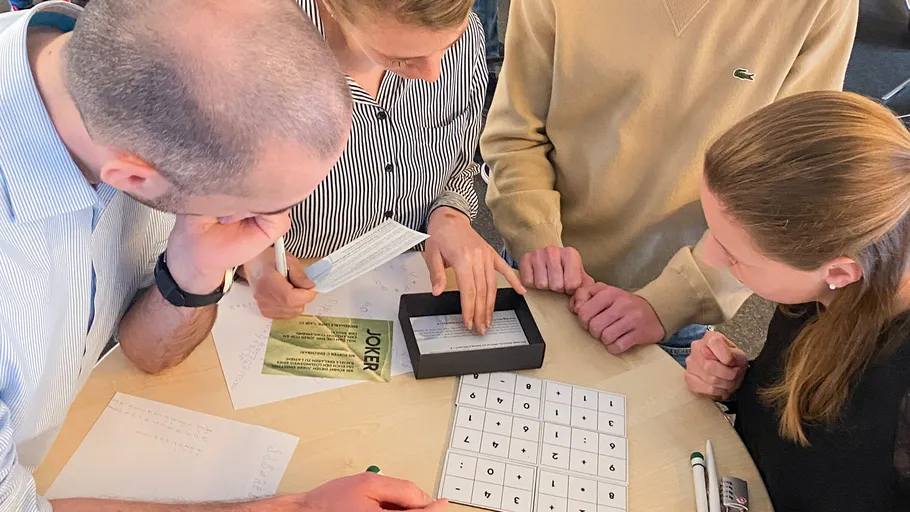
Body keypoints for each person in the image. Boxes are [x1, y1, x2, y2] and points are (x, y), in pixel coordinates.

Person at [0, 1, 444, 510]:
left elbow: (147, 353)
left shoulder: (129, 93)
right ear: (133, 178)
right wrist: (298, 509)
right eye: (254, 209)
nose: (275, 231)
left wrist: (195, 272)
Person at [482, 0, 859, 362]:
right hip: (541, 267)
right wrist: (535, 234)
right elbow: (516, 129)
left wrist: (672, 300)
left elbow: (792, 190)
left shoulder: (820, 6)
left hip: (678, 305)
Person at [626, 92, 907, 510]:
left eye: (736, 255)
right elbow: (800, 428)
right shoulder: (816, 292)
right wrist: (742, 385)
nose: (711, 257)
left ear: (839, 272)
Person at [243, 0, 524, 334]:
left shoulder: (467, 38)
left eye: (449, 44)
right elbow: (199, 207)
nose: (433, 74)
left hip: (416, 281)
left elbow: (459, 161)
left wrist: (450, 214)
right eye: (399, 59)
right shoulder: (246, 48)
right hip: (296, 297)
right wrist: (252, 262)